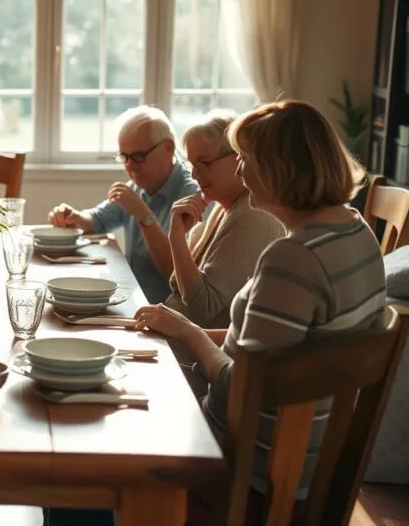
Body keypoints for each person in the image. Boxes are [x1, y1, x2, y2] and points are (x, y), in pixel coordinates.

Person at [47, 100, 387, 526]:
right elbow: (274, 353)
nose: (241, 173)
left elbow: (236, 387)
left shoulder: (292, 258)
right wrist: (188, 329)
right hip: (308, 468)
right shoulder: (358, 233)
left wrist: (190, 334)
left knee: (78, 459)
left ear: (280, 167)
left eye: (245, 160)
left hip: (245, 473)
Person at [47, 105, 200, 303]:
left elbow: (174, 273)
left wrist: (144, 216)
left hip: (164, 312)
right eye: (124, 157)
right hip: (131, 298)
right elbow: (97, 220)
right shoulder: (140, 186)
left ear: (168, 148)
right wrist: (72, 217)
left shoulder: (192, 195)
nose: (129, 166)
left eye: (138, 156)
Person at [162, 111, 285, 329]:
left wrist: (176, 238)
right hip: (180, 336)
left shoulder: (251, 215)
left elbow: (202, 309)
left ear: (239, 156)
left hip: (198, 352)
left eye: (205, 163)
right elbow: (179, 285)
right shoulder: (224, 207)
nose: (195, 175)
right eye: (191, 165)